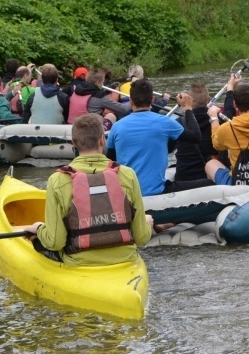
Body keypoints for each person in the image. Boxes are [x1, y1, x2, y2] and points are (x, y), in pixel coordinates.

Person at [17, 114, 153, 266]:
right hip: (125, 259)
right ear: (102, 140)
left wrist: (39, 228)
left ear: (73, 144)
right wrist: (147, 223)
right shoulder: (128, 174)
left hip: (79, 263)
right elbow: (141, 238)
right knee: (146, 220)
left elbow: (55, 242)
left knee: (39, 242)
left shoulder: (57, 180)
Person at [106, 79, 202, 195]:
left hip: (129, 193)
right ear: (152, 100)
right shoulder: (165, 122)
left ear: (131, 101)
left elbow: (110, 162)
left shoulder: (116, 127)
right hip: (157, 191)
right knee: (209, 183)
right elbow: (196, 136)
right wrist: (188, 107)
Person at [173, 76, 239, 182]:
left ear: (188, 101)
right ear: (209, 100)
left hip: (184, 177)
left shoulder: (178, 124)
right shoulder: (217, 120)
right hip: (209, 177)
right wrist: (230, 88)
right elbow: (230, 111)